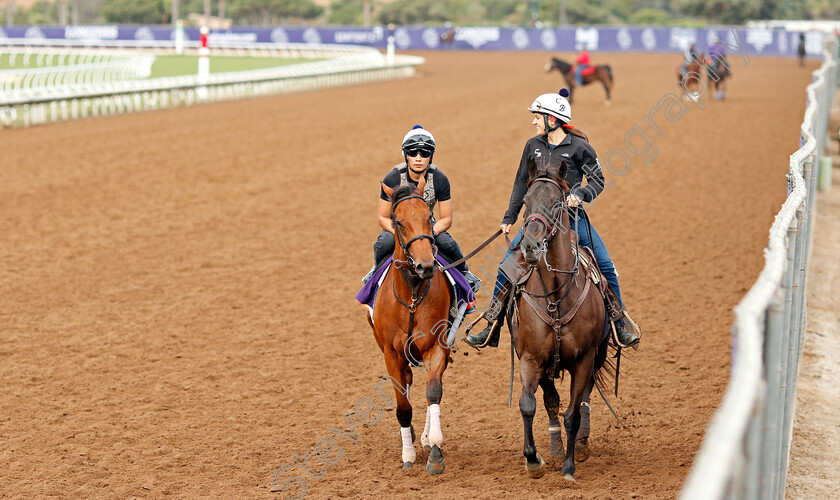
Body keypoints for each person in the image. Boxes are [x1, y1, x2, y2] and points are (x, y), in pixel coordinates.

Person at [464, 89, 640, 349]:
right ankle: (492, 325)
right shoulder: (532, 146)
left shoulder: (581, 148)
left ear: (553, 119)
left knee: (605, 266)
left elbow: (598, 180)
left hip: (571, 220)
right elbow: (519, 184)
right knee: (506, 268)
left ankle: (619, 322)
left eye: (537, 117)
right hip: (535, 223)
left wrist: (581, 193)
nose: (534, 122)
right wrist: (509, 217)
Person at [363, 125, 481, 292]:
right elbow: (382, 217)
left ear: (431, 156)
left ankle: (465, 274)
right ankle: (375, 273)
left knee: (447, 243)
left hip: (426, 224)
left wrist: (428, 232)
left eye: (424, 153)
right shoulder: (392, 178)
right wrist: (399, 232)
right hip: (400, 225)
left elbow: (446, 218)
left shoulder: (440, 179)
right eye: (413, 153)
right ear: (406, 155)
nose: (418, 158)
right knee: (383, 243)